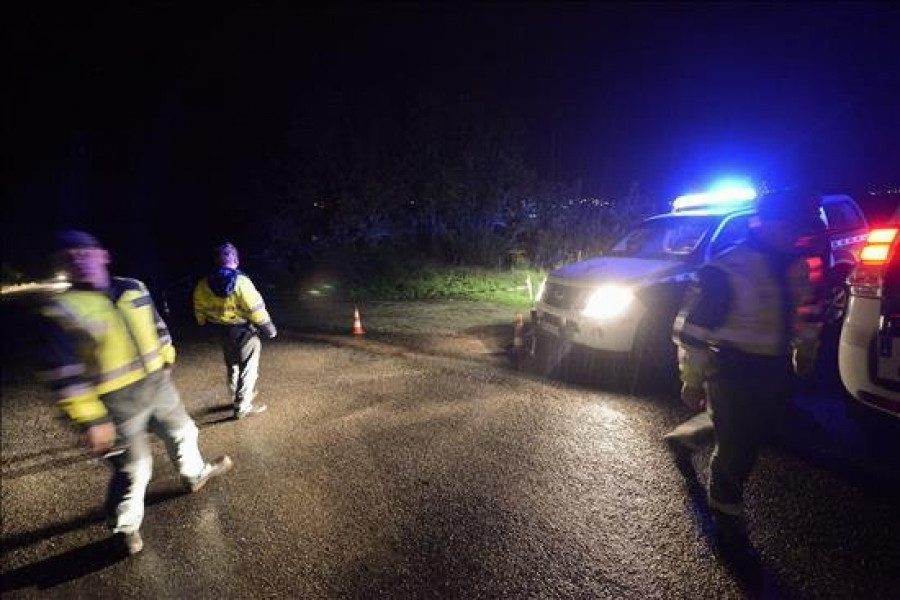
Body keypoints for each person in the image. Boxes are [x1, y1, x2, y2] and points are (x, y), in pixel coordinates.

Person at [37, 231, 233, 555]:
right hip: (114, 403)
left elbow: (158, 326)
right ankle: (124, 527)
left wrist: (167, 358)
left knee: (184, 432)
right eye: (70, 257)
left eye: (85, 252)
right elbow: (64, 376)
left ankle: (195, 475)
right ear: (63, 266)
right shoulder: (62, 310)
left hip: (158, 385)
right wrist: (91, 421)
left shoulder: (134, 287)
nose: (80, 259)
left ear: (103, 255)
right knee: (134, 468)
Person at [662, 189, 823, 532]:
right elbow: (692, 332)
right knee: (739, 445)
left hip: (775, 366)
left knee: (753, 426)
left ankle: (687, 437)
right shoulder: (727, 268)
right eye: (788, 224)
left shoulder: (797, 266)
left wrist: (805, 354)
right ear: (762, 222)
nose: (794, 233)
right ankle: (725, 509)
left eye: (799, 226)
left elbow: (804, 315)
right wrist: (691, 380)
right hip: (731, 367)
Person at [193, 242, 276, 419]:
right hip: (244, 331)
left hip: (221, 332)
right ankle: (242, 406)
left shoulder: (203, 284)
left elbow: (199, 308)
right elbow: (255, 308)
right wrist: (268, 327)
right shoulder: (241, 282)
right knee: (248, 368)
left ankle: (235, 396)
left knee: (232, 365)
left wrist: (204, 326)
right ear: (236, 260)